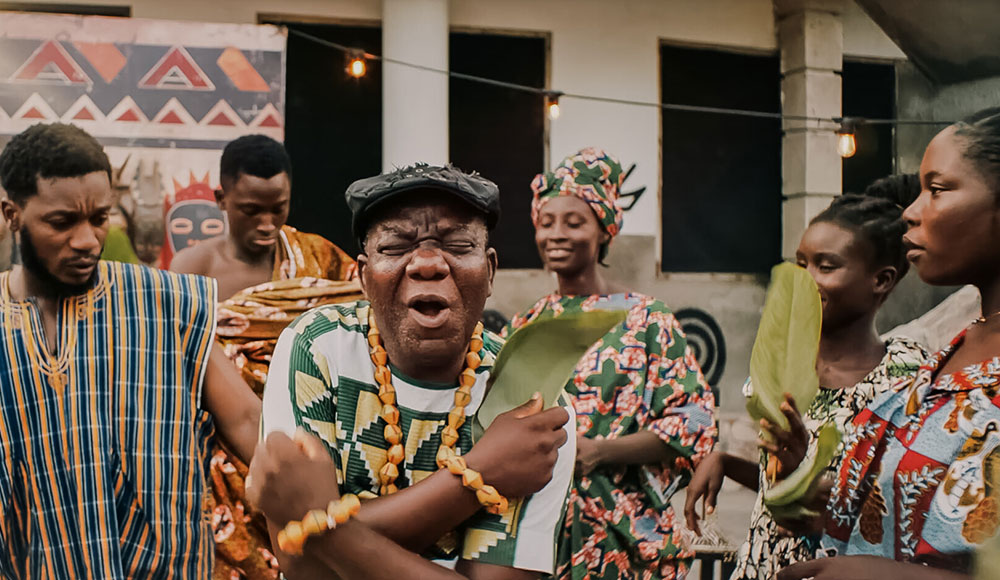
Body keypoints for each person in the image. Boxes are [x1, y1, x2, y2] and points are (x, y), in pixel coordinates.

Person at [250, 163, 576, 579]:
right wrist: (481, 474)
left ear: (490, 271)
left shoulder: (532, 402)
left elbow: (304, 555)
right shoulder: (318, 348)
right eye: (395, 247)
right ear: (364, 278)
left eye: (457, 245)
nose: (426, 264)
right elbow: (303, 572)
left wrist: (317, 531)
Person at [0, 123, 261, 578]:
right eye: (62, 222)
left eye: (99, 219)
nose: (86, 241)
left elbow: (246, 421)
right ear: (12, 214)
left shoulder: (167, 303)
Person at [776, 108, 1000, 580]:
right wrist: (805, 491)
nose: (911, 212)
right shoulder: (950, 356)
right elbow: (891, 526)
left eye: (937, 190)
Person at [684, 194, 928, 580]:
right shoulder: (779, 367)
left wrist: (804, 479)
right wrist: (728, 463)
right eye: (801, 263)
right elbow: (777, 488)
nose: (805, 278)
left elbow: (899, 514)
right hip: (762, 567)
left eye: (825, 266)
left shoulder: (907, 380)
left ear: (881, 280)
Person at [503, 147, 717, 580]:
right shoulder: (528, 323)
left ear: (605, 231)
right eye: (546, 223)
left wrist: (600, 452)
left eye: (574, 222)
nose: (556, 234)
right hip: (536, 540)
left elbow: (693, 421)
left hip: (624, 539)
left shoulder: (645, 318)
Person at [171, 134, 361, 580]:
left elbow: (361, 315)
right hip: (222, 448)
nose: (268, 222)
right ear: (221, 200)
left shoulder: (317, 258)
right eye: (251, 210)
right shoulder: (191, 271)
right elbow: (181, 367)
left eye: (279, 208)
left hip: (308, 432)